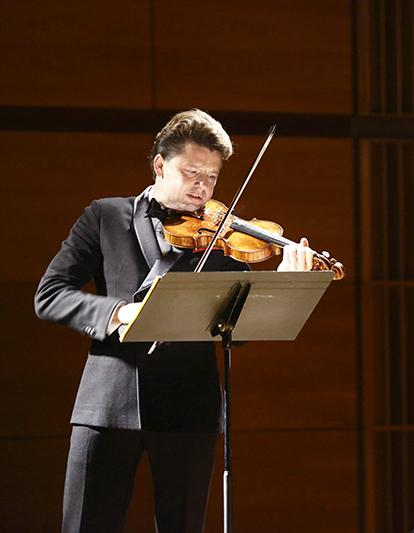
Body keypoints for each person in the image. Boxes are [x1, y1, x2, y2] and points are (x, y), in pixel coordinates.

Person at [34, 109, 314, 533]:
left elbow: (236, 331)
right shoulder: (104, 216)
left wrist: (283, 286)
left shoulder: (223, 236)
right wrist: (117, 313)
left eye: (212, 177)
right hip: (107, 405)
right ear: (160, 165)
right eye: (192, 173)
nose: (203, 187)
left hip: (189, 408)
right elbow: (50, 294)